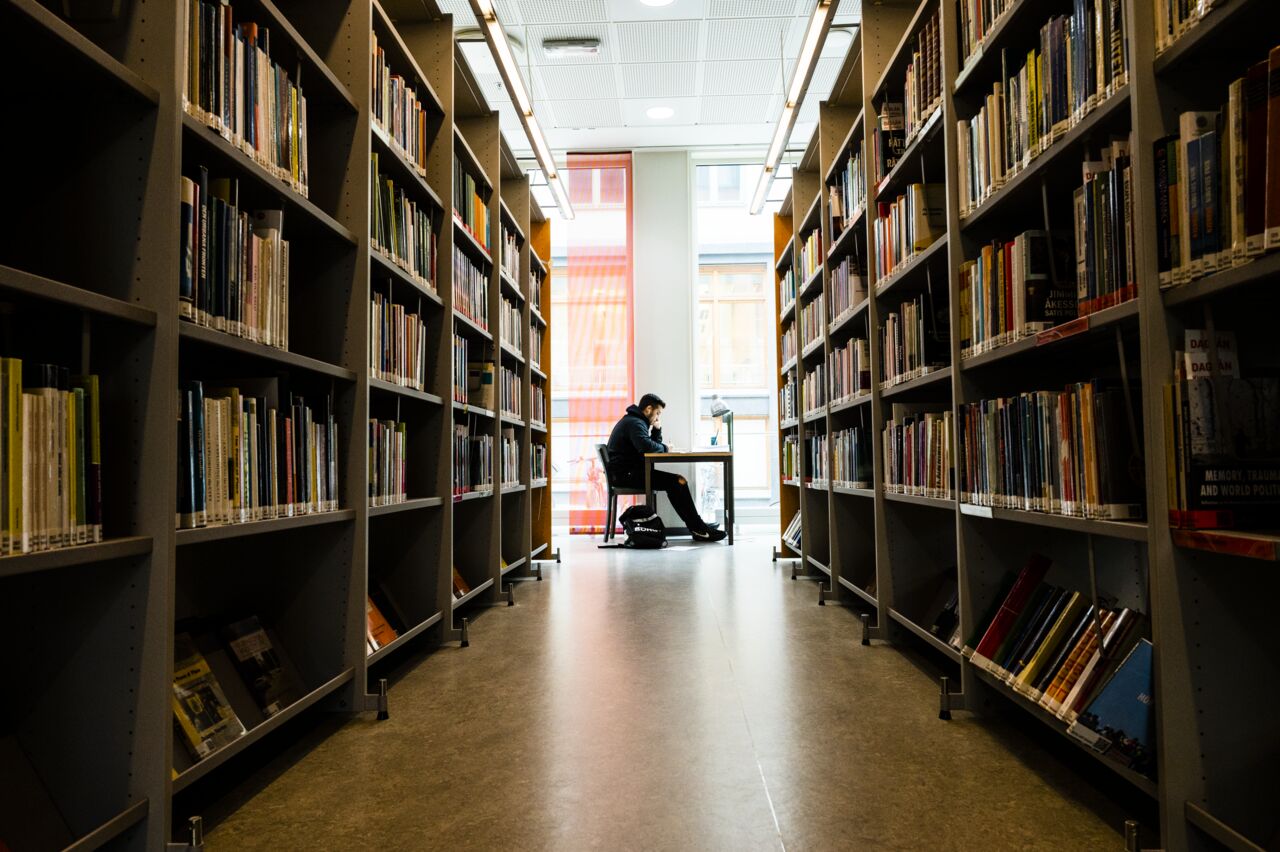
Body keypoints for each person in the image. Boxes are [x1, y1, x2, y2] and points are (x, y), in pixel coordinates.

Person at [605, 393, 727, 542]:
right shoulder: (635, 423)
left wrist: (657, 429)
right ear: (648, 409)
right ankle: (699, 528)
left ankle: (698, 527)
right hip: (628, 475)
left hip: (630, 473)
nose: (657, 417)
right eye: (657, 413)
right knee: (677, 482)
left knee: (677, 482)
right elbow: (647, 447)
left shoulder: (635, 421)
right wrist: (665, 448)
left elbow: (650, 446)